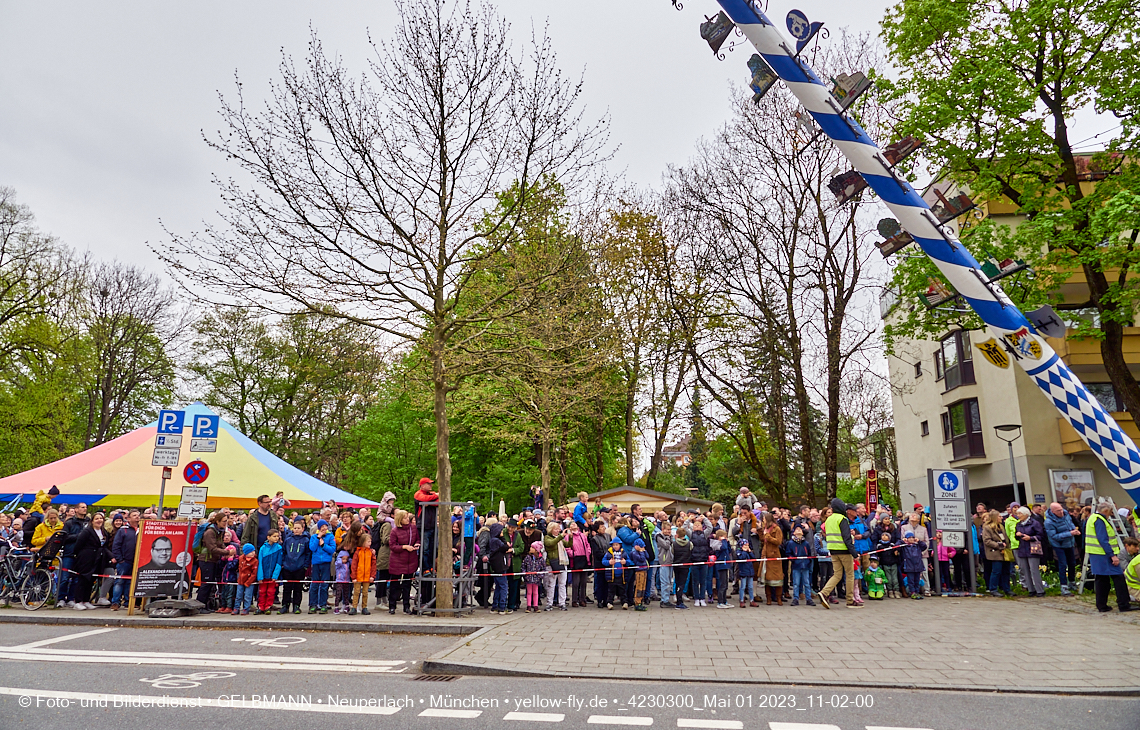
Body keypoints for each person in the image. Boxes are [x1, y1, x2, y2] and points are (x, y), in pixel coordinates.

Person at [1086, 501, 1135, 613]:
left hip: (1096, 554)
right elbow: (1103, 540)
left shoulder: (1093, 518)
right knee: (1118, 577)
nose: (1112, 513)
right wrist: (1112, 555)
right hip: (1104, 554)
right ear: (1106, 510)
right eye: (1111, 511)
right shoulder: (1100, 520)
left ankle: (1102, 605)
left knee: (1102, 580)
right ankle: (1123, 604)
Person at [818, 499, 860, 609]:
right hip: (844, 550)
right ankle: (850, 600)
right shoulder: (842, 519)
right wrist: (854, 553)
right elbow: (847, 538)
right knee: (850, 574)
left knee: (837, 574)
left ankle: (824, 592)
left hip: (832, 550)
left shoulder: (828, 520)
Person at [70, 513, 110, 610]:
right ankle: (78, 601)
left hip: (97, 558)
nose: (99, 520)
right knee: (82, 579)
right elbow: (79, 544)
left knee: (91, 580)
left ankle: (86, 600)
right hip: (86, 557)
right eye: (97, 519)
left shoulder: (104, 532)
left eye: (101, 518)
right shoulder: (87, 531)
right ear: (92, 521)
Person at [197, 513, 235, 612]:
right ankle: (200, 606)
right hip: (206, 560)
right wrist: (227, 552)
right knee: (206, 583)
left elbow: (220, 544)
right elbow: (212, 548)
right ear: (217, 521)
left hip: (213, 560)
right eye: (224, 521)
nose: (226, 523)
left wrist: (226, 551)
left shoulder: (220, 531)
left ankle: (206, 605)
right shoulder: (210, 532)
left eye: (226, 521)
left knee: (210, 584)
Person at [1045, 502, 1080, 596]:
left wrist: (1074, 530)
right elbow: (1053, 536)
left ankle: (1072, 582)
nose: (1061, 512)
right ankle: (1064, 587)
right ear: (1052, 511)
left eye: (1061, 509)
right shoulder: (1049, 522)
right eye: (1058, 511)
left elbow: (1070, 524)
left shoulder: (1066, 514)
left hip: (1070, 543)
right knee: (1062, 565)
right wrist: (1070, 534)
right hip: (1059, 545)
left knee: (1072, 563)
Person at [388, 510, 419, 615]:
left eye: (407, 517)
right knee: (394, 584)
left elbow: (418, 539)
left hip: (410, 560)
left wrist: (417, 544)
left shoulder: (413, 528)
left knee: (407, 584)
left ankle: (407, 606)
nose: (407, 519)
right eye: (405, 518)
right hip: (397, 560)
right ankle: (392, 605)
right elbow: (392, 546)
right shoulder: (394, 531)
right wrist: (404, 547)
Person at [109, 509, 139, 611]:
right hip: (124, 561)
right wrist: (120, 559)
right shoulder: (123, 530)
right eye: (134, 515)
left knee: (130, 582)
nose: (137, 517)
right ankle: (115, 602)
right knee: (119, 581)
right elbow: (116, 545)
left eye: (138, 515)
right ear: (129, 518)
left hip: (135, 561)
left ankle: (128, 602)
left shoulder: (141, 529)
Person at [1013, 506, 1046, 597]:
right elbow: (1016, 537)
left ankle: (1040, 590)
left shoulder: (1035, 523)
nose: (1018, 515)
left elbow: (1041, 535)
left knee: (1034, 570)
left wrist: (1030, 538)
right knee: (1025, 570)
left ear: (1026, 514)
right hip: (1022, 548)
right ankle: (1031, 589)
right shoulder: (1018, 524)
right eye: (1017, 514)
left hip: (1032, 549)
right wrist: (1017, 535)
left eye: (1020, 514)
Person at [281, 517, 310, 614]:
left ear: (302, 529)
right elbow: (284, 552)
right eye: (295, 528)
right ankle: (285, 605)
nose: (296, 530)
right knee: (287, 588)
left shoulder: (306, 540)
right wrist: (283, 563)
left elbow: (307, 554)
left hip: (299, 567)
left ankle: (296, 605)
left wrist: (305, 566)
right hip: (287, 567)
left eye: (298, 528)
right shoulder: (288, 539)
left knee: (298, 588)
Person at [982, 510, 1013, 597]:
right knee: (996, 571)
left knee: (1006, 571)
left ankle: (1007, 589)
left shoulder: (1001, 527)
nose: (1001, 518)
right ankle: (993, 589)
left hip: (1004, 552)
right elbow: (987, 541)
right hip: (995, 552)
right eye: (999, 516)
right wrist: (999, 545)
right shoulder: (987, 528)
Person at [308, 519, 336, 614]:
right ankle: (312, 604)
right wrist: (318, 538)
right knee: (314, 584)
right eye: (322, 526)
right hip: (316, 563)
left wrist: (323, 545)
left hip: (326, 563)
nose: (324, 528)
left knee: (324, 585)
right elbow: (312, 548)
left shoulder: (330, 536)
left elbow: (332, 549)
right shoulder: (313, 537)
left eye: (325, 526)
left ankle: (323, 604)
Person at [542, 522, 569, 611]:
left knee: (562, 584)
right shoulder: (547, 538)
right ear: (551, 529)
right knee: (551, 584)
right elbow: (551, 544)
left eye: (558, 529)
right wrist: (561, 536)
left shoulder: (559, 539)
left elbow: (568, 545)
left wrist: (571, 537)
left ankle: (562, 602)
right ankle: (549, 603)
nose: (558, 530)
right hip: (552, 563)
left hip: (562, 562)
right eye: (556, 529)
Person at [785, 525, 813, 606]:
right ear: (794, 532)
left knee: (807, 583)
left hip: (805, 565)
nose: (798, 531)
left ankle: (809, 599)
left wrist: (808, 561)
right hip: (796, 565)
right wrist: (793, 559)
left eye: (800, 529)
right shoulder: (791, 543)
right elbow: (788, 553)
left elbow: (809, 553)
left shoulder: (806, 543)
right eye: (796, 529)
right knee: (796, 583)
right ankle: (795, 598)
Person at [256, 529, 283, 614]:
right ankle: (261, 607)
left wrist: (275, 576)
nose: (276, 538)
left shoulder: (279, 548)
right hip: (263, 574)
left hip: (272, 575)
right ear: (268, 537)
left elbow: (279, 563)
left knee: (271, 592)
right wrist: (260, 576)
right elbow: (260, 563)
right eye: (274, 536)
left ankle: (268, 606)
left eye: (277, 536)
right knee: (262, 592)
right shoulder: (263, 548)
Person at [566, 521, 590, 608]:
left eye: (574, 523)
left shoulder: (582, 535)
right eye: (571, 524)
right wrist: (573, 554)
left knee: (583, 581)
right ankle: (574, 600)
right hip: (575, 559)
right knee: (576, 582)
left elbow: (587, 545)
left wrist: (588, 552)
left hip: (584, 558)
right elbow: (567, 547)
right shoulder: (568, 536)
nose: (573, 525)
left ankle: (582, 599)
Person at [487, 522, 510, 614]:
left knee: (498, 586)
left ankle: (495, 605)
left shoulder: (493, 540)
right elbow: (506, 546)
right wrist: (503, 538)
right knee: (504, 586)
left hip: (496, 565)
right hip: (499, 565)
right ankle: (502, 606)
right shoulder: (496, 540)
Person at [351, 531, 374, 616]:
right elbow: (354, 565)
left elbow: (373, 565)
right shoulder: (358, 552)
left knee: (365, 593)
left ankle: (364, 607)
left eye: (370, 541)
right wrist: (353, 576)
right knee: (356, 592)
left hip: (367, 576)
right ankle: (354, 607)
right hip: (358, 576)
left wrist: (372, 576)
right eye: (368, 541)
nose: (370, 543)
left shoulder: (371, 553)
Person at [589, 521, 611, 609]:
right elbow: (597, 552)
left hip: (608, 563)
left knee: (607, 582)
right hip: (600, 563)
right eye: (601, 527)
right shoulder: (594, 539)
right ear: (597, 529)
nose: (604, 528)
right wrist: (606, 555)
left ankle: (606, 599)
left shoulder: (608, 536)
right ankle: (600, 600)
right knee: (600, 582)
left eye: (603, 526)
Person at [899, 530, 927, 599]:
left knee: (917, 580)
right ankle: (912, 592)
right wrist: (902, 541)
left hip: (918, 565)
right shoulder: (904, 546)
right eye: (909, 537)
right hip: (909, 566)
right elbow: (897, 545)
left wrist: (919, 541)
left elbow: (924, 546)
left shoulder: (917, 546)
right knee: (910, 580)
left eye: (912, 537)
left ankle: (917, 592)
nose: (911, 539)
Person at [602, 536, 627, 610]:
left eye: (617, 545)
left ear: (620, 545)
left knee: (622, 590)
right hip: (611, 576)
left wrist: (625, 562)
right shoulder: (608, 553)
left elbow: (629, 561)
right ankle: (609, 603)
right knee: (611, 591)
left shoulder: (624, 553)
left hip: (621, 576)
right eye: (614, 545)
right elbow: (603, 561)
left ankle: (624, 603)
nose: (615, 546)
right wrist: (609, 562)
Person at [233, 544, 258, 615]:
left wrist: (248, 582)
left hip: (249, 582)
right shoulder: (241, 558)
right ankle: (236, 608)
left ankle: (246, 608)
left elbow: (254, 573)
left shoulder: (255, 561)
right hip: (240, 581)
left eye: (253, 551)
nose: (253, 553)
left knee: (248, 596)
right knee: (238, 596)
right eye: (251, 552)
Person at [522, 541, 547, 613]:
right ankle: (528, 606)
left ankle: (535, 606)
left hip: (537, 578)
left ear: (536, 550)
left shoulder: (541, 559)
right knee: (529, 592)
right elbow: (523, 566)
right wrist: (525, 574)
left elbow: (543, 569)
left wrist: (540, 575)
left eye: (532, 547)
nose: (530, 548)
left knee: (536, 592)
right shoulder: (527, 558)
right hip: (529, 578)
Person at [672, 526, 691, 610]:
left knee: (677, 582)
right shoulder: (689, 543)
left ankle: (678, 599)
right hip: (685, 565)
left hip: (676, 565)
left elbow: (672, 552)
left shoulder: (674, 544)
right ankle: (680, 602)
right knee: (682, 583)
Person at [333, 549, 352, 614]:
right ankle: (336, 607)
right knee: (338, 594)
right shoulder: (338, 564)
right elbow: (338, 563)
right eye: (343, 559)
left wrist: (348, 559)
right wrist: (339, 559)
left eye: (346, 559)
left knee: (346, 594)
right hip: (339, 580)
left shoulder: (347, 563)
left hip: (346, 580)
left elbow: (351, 562)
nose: (345, 560)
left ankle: (347, 606)